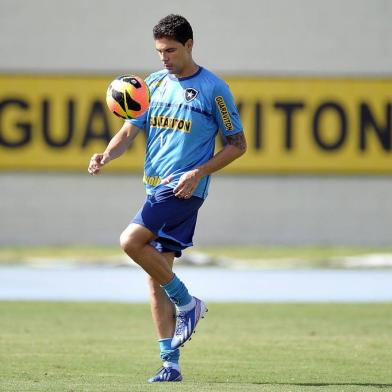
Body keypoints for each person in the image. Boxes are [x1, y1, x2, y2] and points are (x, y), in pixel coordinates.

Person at [88, 14, 246, 383]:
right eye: (159, 51)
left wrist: (197, 173)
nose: (164, 57)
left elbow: (238, 145)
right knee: (154, 275)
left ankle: (188, 303)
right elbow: (128, 131)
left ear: (190, 45)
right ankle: (170, 364)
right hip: (155, 187)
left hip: (183, 189)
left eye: (171, 50)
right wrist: (107, 154)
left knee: (129, 241)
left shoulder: (213, 89)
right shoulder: (154, 84)